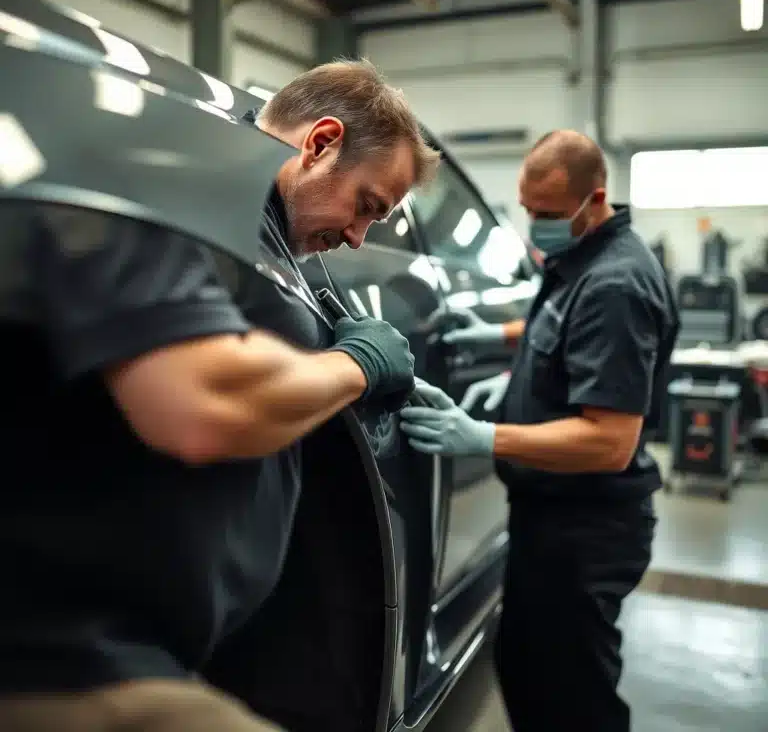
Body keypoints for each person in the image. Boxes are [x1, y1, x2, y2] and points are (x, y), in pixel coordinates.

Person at [0, 59, 440, 731]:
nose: (358, 237)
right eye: (367, 206)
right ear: (319, 143)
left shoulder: (263, 233)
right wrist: (356, 366)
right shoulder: (173, 185)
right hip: (72, 659)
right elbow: (206, 404)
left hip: (154, 646)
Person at [399, 130, 679, 732]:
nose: (534, 225)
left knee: (573, 701)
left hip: (586, 530)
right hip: (546, 518)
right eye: (527, 209)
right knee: (527, 670)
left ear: (594, 198)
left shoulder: (617, 284)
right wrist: (498, 339)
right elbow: (560, 327)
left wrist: (484, 436)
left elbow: (609, 443)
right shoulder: (579, 259)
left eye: (548, 215)